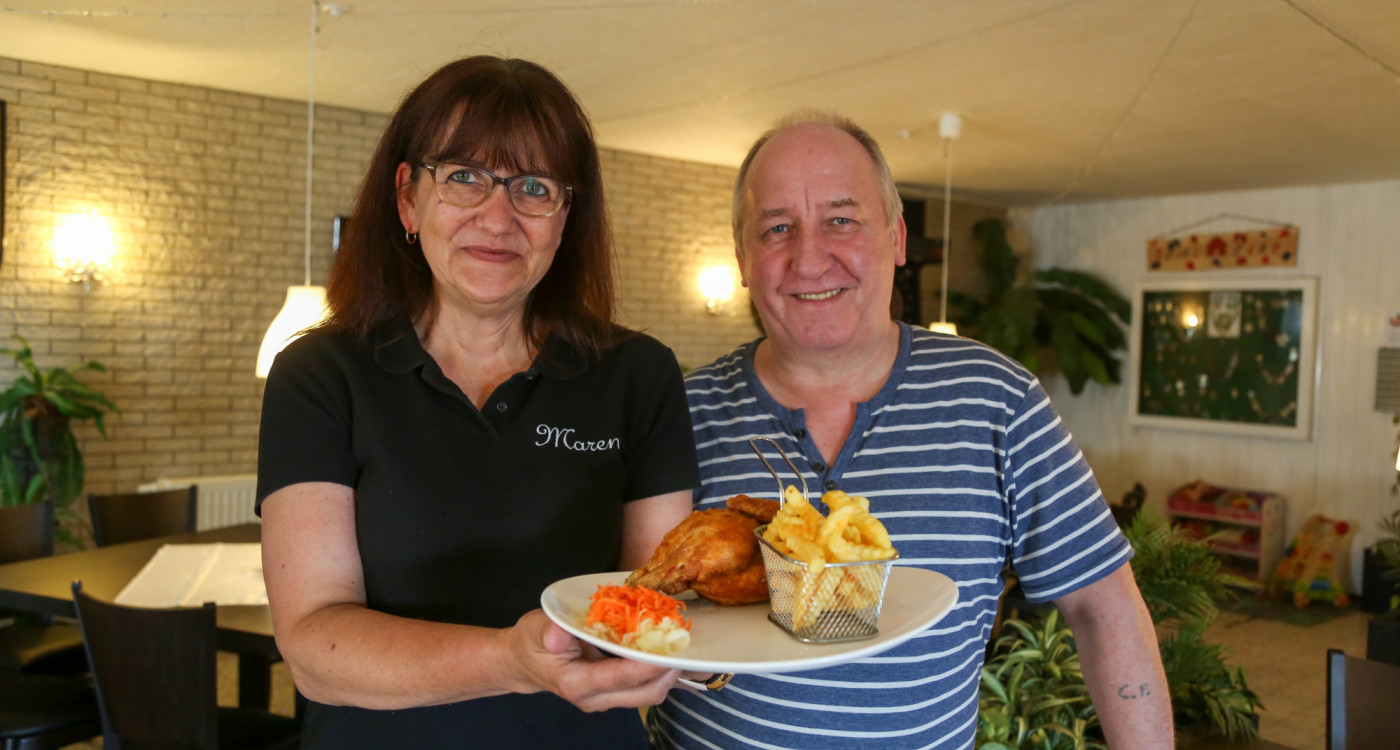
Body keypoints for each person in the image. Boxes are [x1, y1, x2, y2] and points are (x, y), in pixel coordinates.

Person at [652, 111, 1173, 749]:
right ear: (742, 260)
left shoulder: (997, 399)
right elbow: (627, 611)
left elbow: (1103, 609)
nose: (809, 259)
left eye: (841, 220)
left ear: (896, 239)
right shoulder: (678, 411)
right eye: (776, 228)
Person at [256, 56, 699, 749]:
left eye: (534, 187)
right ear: (408, 199)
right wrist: (508, 660)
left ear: (564, 218)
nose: (498, 218)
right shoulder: (319, 374)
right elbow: (313, 646)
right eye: (464, 176)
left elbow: (654, 605)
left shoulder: (638, 374)